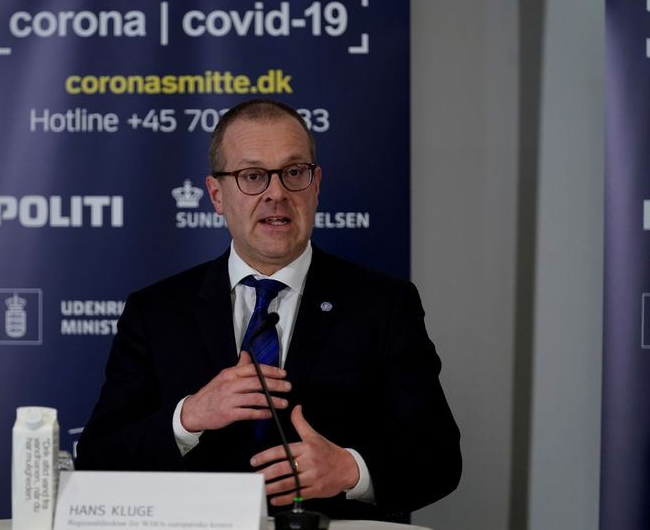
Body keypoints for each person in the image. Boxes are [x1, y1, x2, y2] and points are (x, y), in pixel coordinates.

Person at [75, 99, 461, 522]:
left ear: (316, 185)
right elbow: (97, 458)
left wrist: (351, 471)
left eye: (294, 172)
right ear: (217, 195)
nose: (276, 193)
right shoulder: (155, 311)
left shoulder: (384, 304)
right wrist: (189, 416)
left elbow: (440, 459)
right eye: (253, 176)